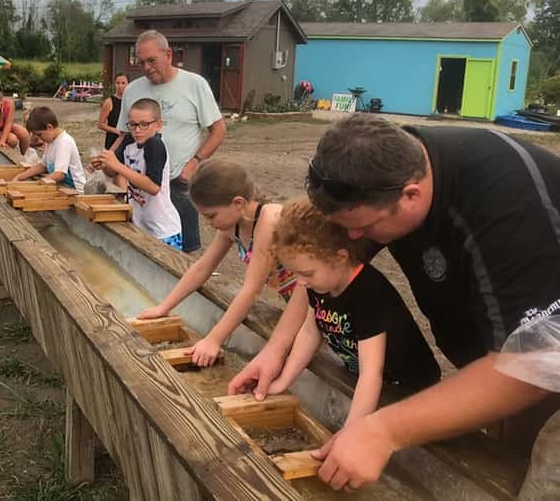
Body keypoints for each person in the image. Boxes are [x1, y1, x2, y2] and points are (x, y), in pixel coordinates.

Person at [229, 114, 560, 492]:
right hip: (508, 349)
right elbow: (326, 277)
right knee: (506, 451)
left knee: (540, 476)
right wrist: (276, 350)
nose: (353, 238)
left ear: (411, 195)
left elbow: (535, 364)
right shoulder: (379, 174)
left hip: (546, 351)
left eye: (363, 229)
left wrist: (382, 431)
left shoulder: (509, 206)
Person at [268, 197, 440, 425]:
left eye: (306, 273)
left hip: (409, 389)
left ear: (340, 257)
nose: (300, 282)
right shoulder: (320, 283)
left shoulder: (368, 292)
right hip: (366, 379)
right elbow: (310, 332)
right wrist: (283, 381)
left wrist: (351, 432)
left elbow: (371, 374)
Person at [138, 159, 296, 367]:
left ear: (237, 203)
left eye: (211, 216)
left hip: (319, 299)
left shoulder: (269, 219)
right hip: (298, 300)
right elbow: (203, 267)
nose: (207, 223)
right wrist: (164, 307)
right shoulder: (234, 224)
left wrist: (213, 340)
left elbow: (251, 290)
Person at [115, 30, 226, 252]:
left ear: (168, 54)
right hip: (141, 187)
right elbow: (123, 137)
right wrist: (110, 163)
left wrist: (194, 164)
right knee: (141, 247)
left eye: (152, 60)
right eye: (141, 62)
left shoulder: (195, 84)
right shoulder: (133, 90)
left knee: (183, 253)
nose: (146, 67)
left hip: (179, 183)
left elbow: (218, 129)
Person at [92, 98, 182, 249]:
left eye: (144, 124)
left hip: (163, 230)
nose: (137, 130)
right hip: (141, 223)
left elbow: (153, 187)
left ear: (158, 125)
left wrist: (118, 166)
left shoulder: (155, 144)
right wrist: (104, 164)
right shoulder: (129, 141)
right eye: (133, 125)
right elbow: (113, 172)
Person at [13, 106, 86, 193]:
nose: (39, 139)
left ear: (49, 127)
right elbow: (43, 166)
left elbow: (59, 174)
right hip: (61, 187)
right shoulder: (50, 141)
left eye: (40, 134)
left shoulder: (64, 141)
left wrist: (37, 185)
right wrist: (20, 177)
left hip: (74, 191)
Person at [0, 87, 30, 163]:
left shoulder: (9, 104)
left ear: (1, 101)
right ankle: (7, 159)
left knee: (24, 133)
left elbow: (9, 123)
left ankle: (24, 157)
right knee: (12, 139)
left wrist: (3, 140)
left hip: (7, 126)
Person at [98, 72, 128, 150]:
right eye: (118, 83)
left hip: (128, 142)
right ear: (114, 84)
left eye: (123, 83)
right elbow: (100, 124)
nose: (120, 86)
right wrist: (116, 131)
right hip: (112, 141)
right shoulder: (109, 102)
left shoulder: (131, 101)